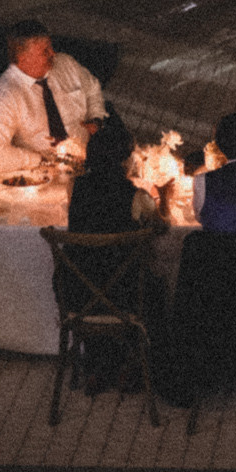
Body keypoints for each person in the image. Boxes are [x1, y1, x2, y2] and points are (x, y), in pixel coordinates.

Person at [61, 121, 165, 395]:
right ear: (125, 160)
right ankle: (131, 363)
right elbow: (161, 228)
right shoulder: (138, 197)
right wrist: (162, 200)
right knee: (156, 286)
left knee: (95, 271)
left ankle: (98, 365)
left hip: (77, 293)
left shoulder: (75, 188)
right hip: (124, 295)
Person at [0, 20, 106, 175]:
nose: (53, 54)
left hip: (91, 158)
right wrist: (40, 160)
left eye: (51, 47)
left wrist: (96, 118)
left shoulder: (66, 64)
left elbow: (93, 88)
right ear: (23, 59)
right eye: (45, 51)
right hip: (47, 176)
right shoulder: (6, 94)